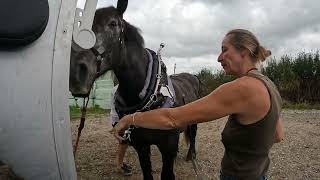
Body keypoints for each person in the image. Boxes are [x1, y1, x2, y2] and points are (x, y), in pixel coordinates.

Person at [113, 29, 284, 180]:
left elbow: (173, 119)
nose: (219, 58)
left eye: (225, 50)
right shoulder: (267, 84)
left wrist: (130, 118)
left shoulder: (241, 88)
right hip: (259, 174)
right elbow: (277, 135)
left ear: (244, 51)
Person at [109, 84, 132, 176]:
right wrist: (118, 124)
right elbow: (117, 108)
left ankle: (120, 163)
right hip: (119, 119)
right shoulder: (118, 89)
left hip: (121, 118)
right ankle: (119, 165)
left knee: (124, 142)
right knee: (123, 142)